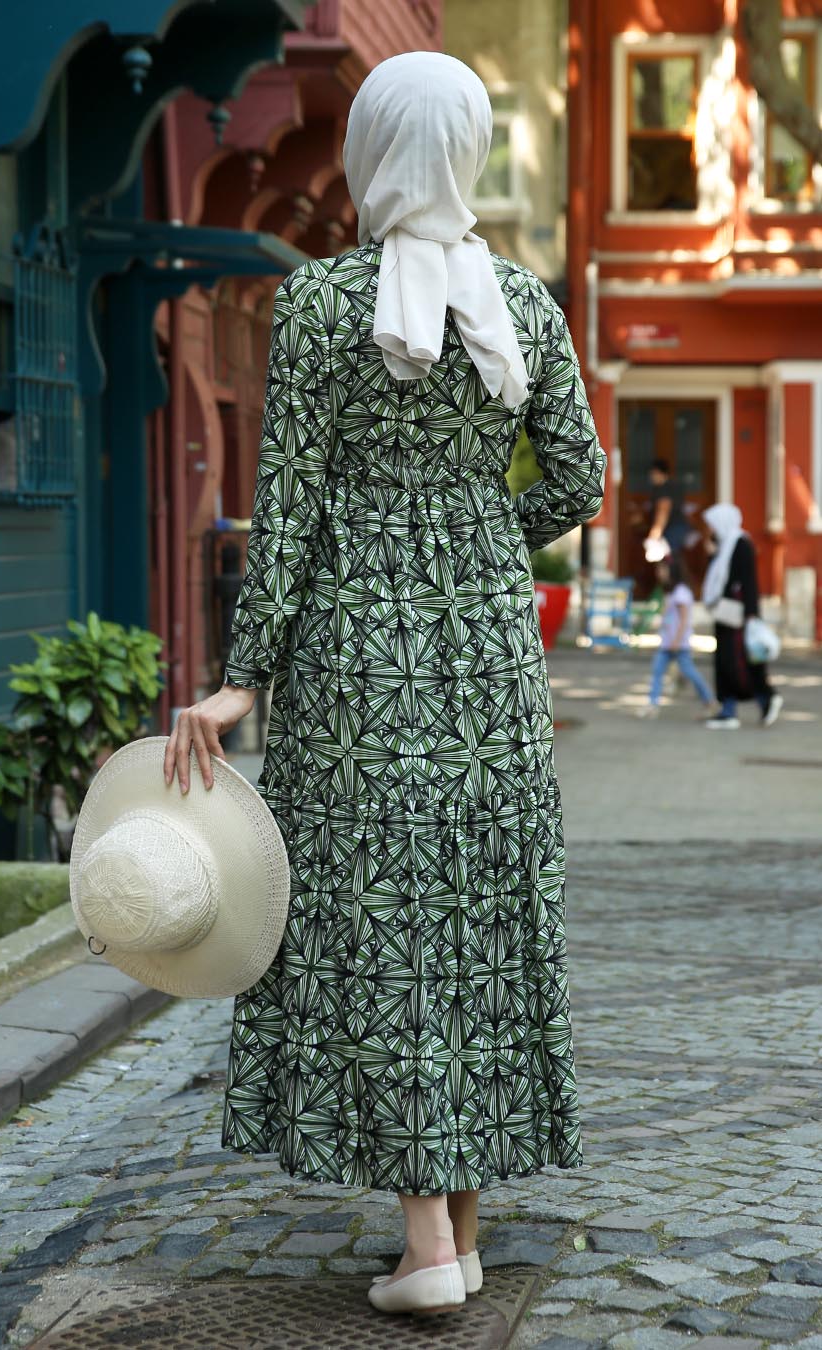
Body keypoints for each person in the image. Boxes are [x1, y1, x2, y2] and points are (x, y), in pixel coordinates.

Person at [164, 51, 606, 1317]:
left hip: (358, 660)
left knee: (378, 919)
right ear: (463, 152)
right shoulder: (523, 306)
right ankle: (455, 1233)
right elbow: (576, 485)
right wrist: (472, 530)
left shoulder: (318, 309)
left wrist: (240, 682)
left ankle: (425, 1250)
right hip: (485, 665)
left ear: (368, 151)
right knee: (472, 911)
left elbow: (289, 512)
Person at [701, 503, 783, 730]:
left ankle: (762, 698)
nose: (711, 530)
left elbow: (748, 582)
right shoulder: (724, 546)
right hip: (726, 616)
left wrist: (751, 615)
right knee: (728, 663)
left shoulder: (741, 544)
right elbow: (718, 580)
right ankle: (733, 708)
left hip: (737, 616)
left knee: (739, 662)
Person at [638, 558, 713, 717]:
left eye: (662, 569)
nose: (659, 573)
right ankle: (653, 704)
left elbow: (684, 619)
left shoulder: (681, 592)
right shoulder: (670, 591)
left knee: (690, 672)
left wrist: (677, 640)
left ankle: (709, 700)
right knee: (657, 671)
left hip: (677, 643)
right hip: (667, 641)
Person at [646, 458, 689, 560]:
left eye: (652, 474)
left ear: (657, 472)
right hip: (679, 527)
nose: (651, 477)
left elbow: (663, 511)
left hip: (671, 529)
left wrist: (655, 534)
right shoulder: (675, 486)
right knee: (674, 558)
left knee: (668, 561)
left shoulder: (663, 489)